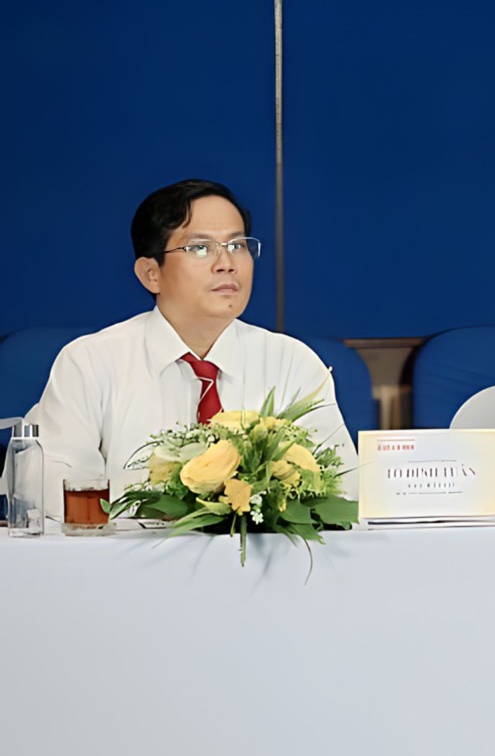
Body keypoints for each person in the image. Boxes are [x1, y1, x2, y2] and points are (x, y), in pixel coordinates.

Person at [28, 179, 357, 517]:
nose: (226, 263)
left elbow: (341, 489)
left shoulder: (291, 363)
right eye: (200, 248)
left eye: (237, 245)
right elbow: (50, 486)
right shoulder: (90, 363)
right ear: (151, 274)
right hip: (131, 549)